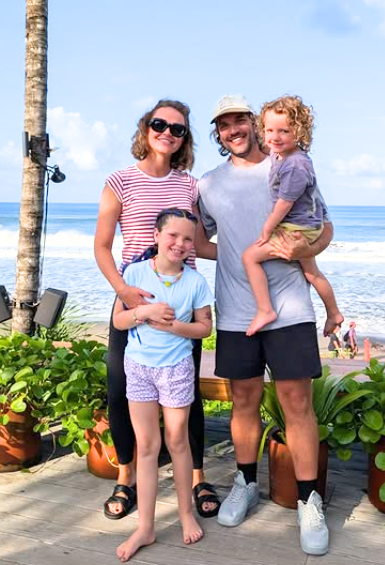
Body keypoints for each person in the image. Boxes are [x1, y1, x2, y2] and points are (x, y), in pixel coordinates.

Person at [198, 94, 332, 555]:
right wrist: (238, 253)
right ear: (217, 133)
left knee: (297, 402)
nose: (233, 130)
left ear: (256, 125)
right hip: (236, 309)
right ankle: (245, 482)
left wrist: (293, 251)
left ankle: (309, 498)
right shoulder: (208, 184)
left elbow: (324, 227)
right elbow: (199, 240)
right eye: (224, 125)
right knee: (243, 400)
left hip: (291, 306)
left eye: (240, 121)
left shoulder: (286, 165)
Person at [94, 99, 219, 523]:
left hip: (183, 302)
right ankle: (126, 477)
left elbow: (198, 245)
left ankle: (198, 475)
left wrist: (257, 255)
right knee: (121, 390)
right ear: (146, 127)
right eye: (160, 124)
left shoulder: (189, 185)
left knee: (188, 394)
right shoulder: (120, 181)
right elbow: (101, 245)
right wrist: (124, 292)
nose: (168, 132)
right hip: (133, 299)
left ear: (185, 139)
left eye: (178, 128)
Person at [113, 208, 213, 561]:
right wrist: (146, 312)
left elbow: (205, 328)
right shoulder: (135, 272)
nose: (180, 243)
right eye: (173, 235)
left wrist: (174, 328)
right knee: (147, 447)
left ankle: (186, 514)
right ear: (156, 235)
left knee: (177, 441)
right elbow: (120, 320)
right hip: (138, 367)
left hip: (176, 369)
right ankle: (146, 527)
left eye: (188, 239)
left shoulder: (196, 282)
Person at [242, 95, 343, 337]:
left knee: (249, 257)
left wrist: (267, 229)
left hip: (296, 227)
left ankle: (265, 309)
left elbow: (284, 204)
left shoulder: (295, 165)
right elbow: (269, 144)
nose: (274, 137)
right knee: (311, 272)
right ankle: (334, 313)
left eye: (283, 131)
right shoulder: (282, 153)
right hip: (304, 224)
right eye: (268, 130)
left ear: (299, 132)